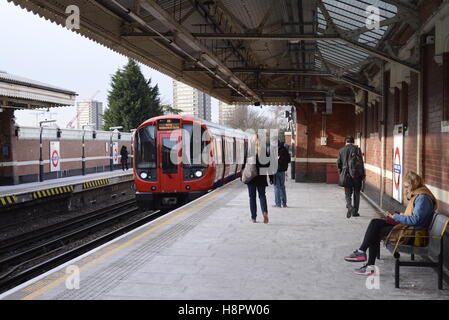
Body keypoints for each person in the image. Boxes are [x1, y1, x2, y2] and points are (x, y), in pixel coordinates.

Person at [344, 171, 437, 275]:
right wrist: (398, 214)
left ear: (413, 185)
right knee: (375, 223)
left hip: (412, 234)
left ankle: (367, 263)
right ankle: (362, 254)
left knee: (376, 231)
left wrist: (397, 217)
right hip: (408, 228)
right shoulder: (418, 195)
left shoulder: (422, 198)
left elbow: (415, 220)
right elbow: (414, 216)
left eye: (407, 187)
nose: (405, 190)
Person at [337, 136, 365, 218]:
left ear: (346, 142)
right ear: (353, 142)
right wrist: (362, 175)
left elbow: (338, 163)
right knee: (357, 193)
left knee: (347, 193)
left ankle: (350, 207)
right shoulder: (357, 149)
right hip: (356, 175)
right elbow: (361, 163)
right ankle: (355, 212)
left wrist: (341, 173)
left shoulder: (341, 150)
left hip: (346, 174)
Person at [245, 136, 272, 224]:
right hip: (262, 178)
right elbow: (269, 165)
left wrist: (243, 176)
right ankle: (264, 212)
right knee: (262, 196)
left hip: (251, 178)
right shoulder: (264, 152)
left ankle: (253, 218)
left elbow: (244, 165)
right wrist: (271, 178)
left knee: (252, 198)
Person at [271, 141, 291, 208]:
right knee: (282, 187)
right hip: (282, 171)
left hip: (275, 171)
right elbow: (288, 160)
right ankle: (284, 204)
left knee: (276, 187)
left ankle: (278, 204)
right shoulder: (284, 149)